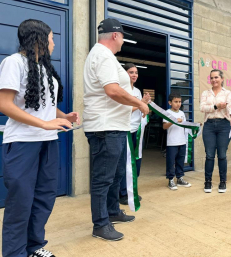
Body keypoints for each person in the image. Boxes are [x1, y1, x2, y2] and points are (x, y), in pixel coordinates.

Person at [0, 19, 80, 257]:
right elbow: (4, 104)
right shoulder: (13, 63)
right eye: (52, 38)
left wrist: (63, 116)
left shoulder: (43, 69)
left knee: (44, 197)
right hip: (23, 143)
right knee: (20, 201)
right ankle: (15, 253)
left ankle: (34, 246)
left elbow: (41, 105)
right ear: (38, 38)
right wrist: (45, 124)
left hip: (48, 142)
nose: (54, 43)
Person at [83, 18, 149, 241]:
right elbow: (111, 90)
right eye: (122, 36)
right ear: (114, 35)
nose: (123, 40)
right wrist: (139, 103)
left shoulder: (107, 56)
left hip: (115, 127)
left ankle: (112, 211)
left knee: (116, 173)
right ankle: (100, 224)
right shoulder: (102, 55)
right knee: (103, 177)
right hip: (105, 127)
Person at [119, 63, 150, 205]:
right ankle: (123, 193)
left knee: (136, 161)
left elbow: (139, 109)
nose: (134, 75)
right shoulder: (122, 90)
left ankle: (131, 190)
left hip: (137, 130)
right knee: (125, 162)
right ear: (125, 73)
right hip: (125, 130)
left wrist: (144, 107)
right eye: (131, 72)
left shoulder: (137, 91)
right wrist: (140, 104)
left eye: (136, 72)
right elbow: (124, 110)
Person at [200, 69, 231, 193]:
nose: (214, 80)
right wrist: (216, 106)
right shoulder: (206, 93)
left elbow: (230, 106)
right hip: (209, 125)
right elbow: (202, 108)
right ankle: (208, 181)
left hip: (224, 125)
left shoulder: (227, 93)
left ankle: (222, 182)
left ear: (222, 79)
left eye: (216, 77)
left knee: (222, 155)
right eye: (212, 78)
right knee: (209, 155)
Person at [163, 93, 191, 190]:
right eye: (175, 102)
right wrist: (173, 121)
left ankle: (179, 178)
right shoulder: (167, 113)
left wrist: (195, 126)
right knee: (171, 161)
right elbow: (164, 126)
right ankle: (171, 179)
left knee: (180, 161)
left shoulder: (182, 113)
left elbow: (185, 125)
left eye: (179, 102)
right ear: (170, 102)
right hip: (172, 142)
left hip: (182, 141)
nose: (178, 104)